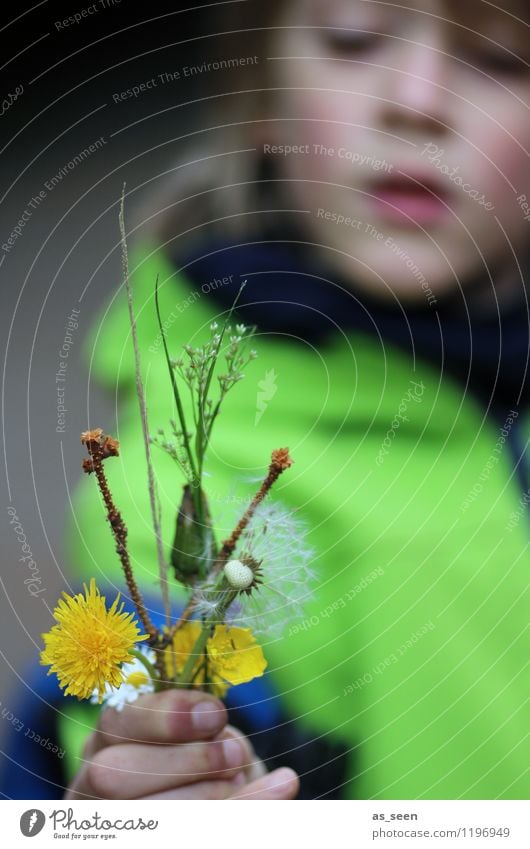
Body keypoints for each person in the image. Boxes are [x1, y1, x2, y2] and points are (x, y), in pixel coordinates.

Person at [4, 0, 530, 800]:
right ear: (258, 90)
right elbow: (122, 709)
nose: (417, 98)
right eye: (352, 38)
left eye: (500, 58)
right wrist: (159, 783)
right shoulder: (187, 484)